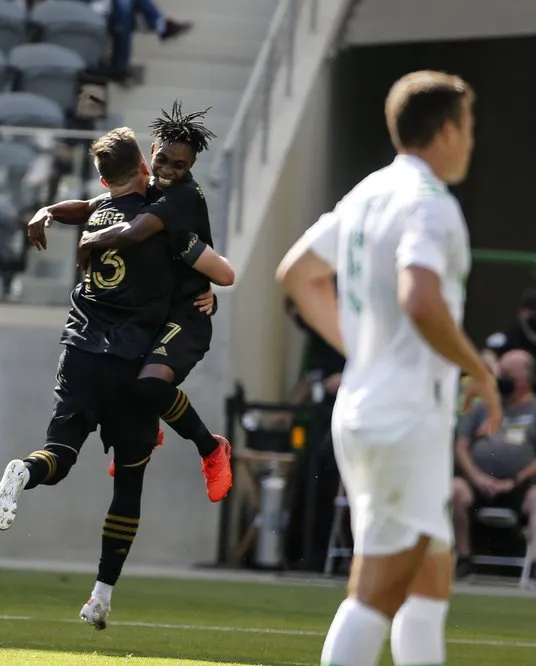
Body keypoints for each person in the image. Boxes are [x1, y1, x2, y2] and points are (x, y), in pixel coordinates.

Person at [276, 70, 500, 666]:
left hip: (369, 407)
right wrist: (479, 368)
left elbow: (297, 274)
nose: (472, 141)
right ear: (448, 131)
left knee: (428, 588)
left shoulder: (368, 192)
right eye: (470, 127)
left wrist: (361, 346)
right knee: (375, 594)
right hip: (405, 417)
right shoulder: (431, 204)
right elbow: (420, 298)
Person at [0, 126, 219, 632]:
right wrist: (208, 288)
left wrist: (48, 210)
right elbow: (203, 266)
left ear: (101, 176)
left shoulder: (100, 209)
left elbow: (87, 207)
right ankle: (100, 595)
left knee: (61, 454)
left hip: (78, 352)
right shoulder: (157, 223)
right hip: (127, 359)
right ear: (144, 166)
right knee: (130, 475)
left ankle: (25, 472)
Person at [30, 101, 234, 500]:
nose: (169, 172)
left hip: (188, 314)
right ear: (151, 151)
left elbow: (137, 232)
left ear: (191, 166)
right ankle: (144, 430)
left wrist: (93, 238)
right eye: (163, 160)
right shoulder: (149, 188)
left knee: (149, 389)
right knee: (134, 385)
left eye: (181, 165)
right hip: (158, 311)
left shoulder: (181, 196)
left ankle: (211, 448)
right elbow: (94, 206)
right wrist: (48, 211)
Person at [452, 349, 536, 579]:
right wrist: (477, 476)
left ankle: (535, 566)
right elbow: (461, 445)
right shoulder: (481, 406)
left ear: (525, 380)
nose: (501, 379)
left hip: (518, 486)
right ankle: (464, 557)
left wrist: (514, 480)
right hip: (478, 483)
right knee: (455, 490)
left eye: (509, 375)